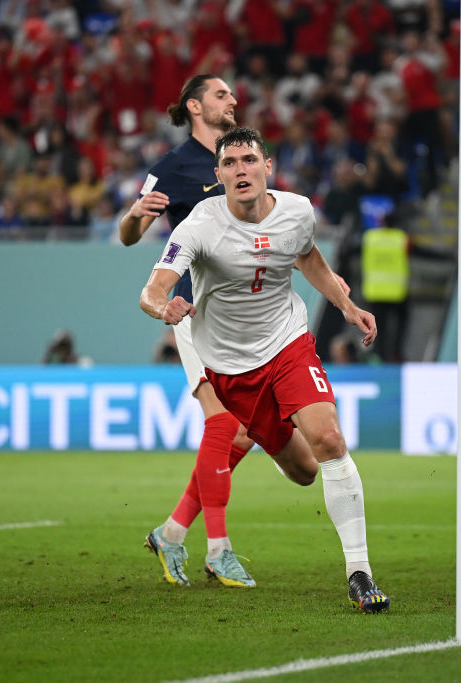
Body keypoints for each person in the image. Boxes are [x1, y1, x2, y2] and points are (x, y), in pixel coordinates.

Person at [140, 127, 390, 613]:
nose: (240, 170)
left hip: (288, 343)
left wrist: (345, 305)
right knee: (303, 471)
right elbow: (153, 288)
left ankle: (359, 573)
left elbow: (307, 256)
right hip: (232, 368)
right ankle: (174, 530)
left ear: (267, 167)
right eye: (229, 163)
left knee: (330, 441)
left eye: (248, 160)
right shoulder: (198, 225)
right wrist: (162, 308)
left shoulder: (297, 210)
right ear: (218, 175)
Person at [120, 75, 259, 589]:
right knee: (222, 423)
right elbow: (128, 235)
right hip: (192, 309)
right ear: (195, 106)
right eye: (223, 95)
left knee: (243, 431)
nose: (234, 101)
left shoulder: (243, 157)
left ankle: (172, 531)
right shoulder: (171, 169)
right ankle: (218, 550)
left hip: (244, 313)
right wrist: (136, 214)